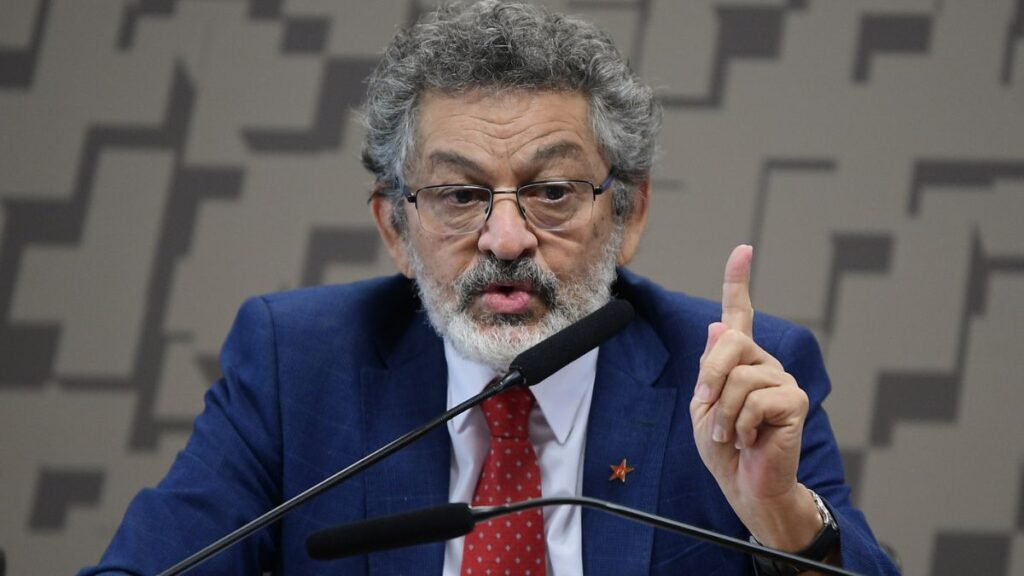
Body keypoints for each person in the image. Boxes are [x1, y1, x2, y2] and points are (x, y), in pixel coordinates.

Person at [80, 2, 899, 574]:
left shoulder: (731, 375)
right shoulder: (298, 367)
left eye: (551, 193)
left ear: (628, 212)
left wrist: (782, 522)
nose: (506, 240)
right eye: (460, 196)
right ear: (396, 229)